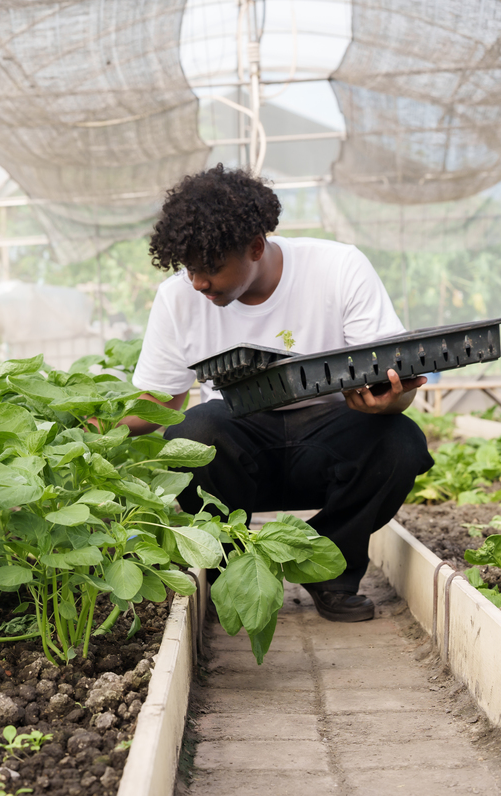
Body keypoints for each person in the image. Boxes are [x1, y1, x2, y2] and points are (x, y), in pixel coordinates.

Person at [126, 165, 434, 623]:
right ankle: (233, 576)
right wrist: (84, 433)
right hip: (237, 451)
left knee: (400, 441)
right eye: (189, 269)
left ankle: (324, 567)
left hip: (327, 445)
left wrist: (391, 400)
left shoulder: (337, 267)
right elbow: (160, 403)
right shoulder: (177, 298)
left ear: (255, 247)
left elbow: (392, 380)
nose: (197, 283)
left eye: (210, 268)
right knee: (194, 431)